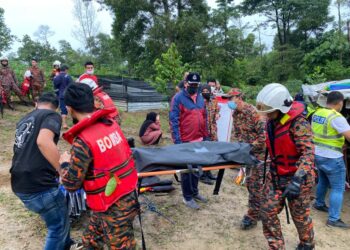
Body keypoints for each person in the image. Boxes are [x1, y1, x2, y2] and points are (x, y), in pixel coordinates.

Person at [60, 83, 139, 249]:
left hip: (112, 206)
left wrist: (65, 163)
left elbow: (71, 184)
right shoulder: (111, 124)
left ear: (69, 108)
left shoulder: (83, 141)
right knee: (91, 241)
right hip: (128, 194)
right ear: (93, 102)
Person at [10, 92, 75, 250]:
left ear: (36, 103)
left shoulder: (24, 119)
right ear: (56, 108)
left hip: (19, 181)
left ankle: (67, 244)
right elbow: (43, 141)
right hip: (38, 185)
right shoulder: (51, 116)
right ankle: (62, 241)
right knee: (57, 227)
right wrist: (61, 168)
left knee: (60, 214)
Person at [256, 83, 315, 250]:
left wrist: (297, 180)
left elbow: (308, 154)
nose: (266, 114)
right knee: (267, 210)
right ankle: (276, 246)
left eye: (269, 111)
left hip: (297, 178)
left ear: (281, 108)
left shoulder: (299, 123)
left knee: (300, 217)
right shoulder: (272, 121)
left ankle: (307, 244)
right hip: (276, 176)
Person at [227, 88, 266, 230]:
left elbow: (263, 138)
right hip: (247, 155)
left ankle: (252, 216)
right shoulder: (236, 114)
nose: (228, 101)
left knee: (254, 185)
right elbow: (238, 134)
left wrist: (248, 148)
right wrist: (238, 149)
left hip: (260, 156)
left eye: (230, 98)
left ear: (239, 97)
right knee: (253, 185)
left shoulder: (254, 113)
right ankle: (259, 211)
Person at [169, 72, 209, 209]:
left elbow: (204, 117)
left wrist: (206, 135)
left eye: (196, 85)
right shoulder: (178, 98)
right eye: (191, 85)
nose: (193, 87)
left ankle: (195, 192)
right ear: (186, 84)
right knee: (187, 170)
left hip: (199, 140)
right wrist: (177, 142)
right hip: (185, 141)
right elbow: (174, 121)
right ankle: (187, 197)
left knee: (197, 168)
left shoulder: (200, 99)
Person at [311, 91, 350, 228]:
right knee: (338, 188)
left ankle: (319, 203)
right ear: (340, 102)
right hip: (332, 157)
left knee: (323, 180)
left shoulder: (318, 113)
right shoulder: (337, 117)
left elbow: (323, 134)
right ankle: (334, 219)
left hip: (318, 154)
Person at [199, 84, 220, 185]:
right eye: (204, 91)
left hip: (213, 131)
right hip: (203, 132)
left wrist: (217, 114)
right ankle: (202, 175)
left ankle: (209, 173)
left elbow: (217, 112)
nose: (206, 93)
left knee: (211, 152)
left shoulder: (213, 101)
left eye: (208, 91)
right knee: (203, 153)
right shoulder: (199, 102)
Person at [54, 65, 73, 129]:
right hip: (68, 95)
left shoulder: (56, 77)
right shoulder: (68, 76)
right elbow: (71, 86)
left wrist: (58, 94)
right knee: (69, 107)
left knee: (63, 109)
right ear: (66, 70)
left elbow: (55, 87)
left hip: (61, 95)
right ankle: (72, 122)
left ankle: (64, 123)